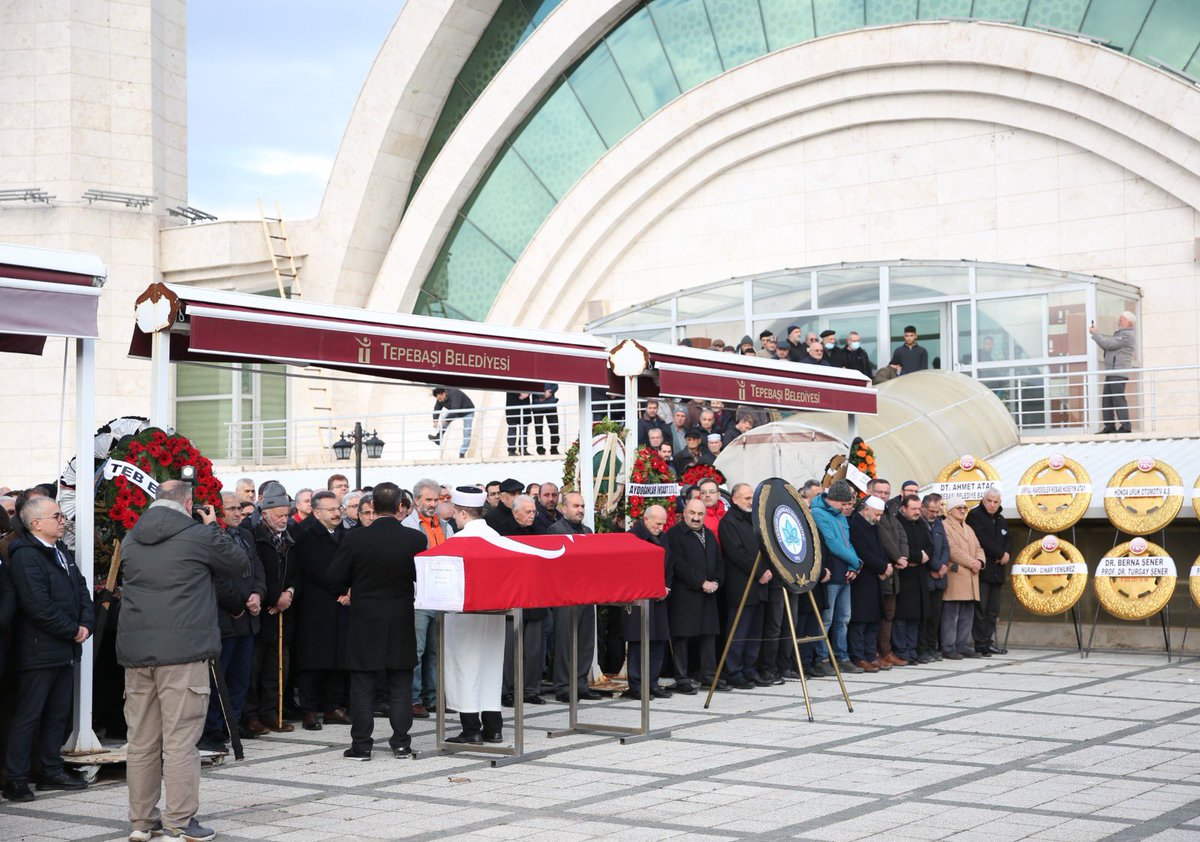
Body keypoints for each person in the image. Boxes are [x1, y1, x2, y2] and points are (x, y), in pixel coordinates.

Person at [118, 480, 247, 842]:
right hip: (183, 652)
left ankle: (142, 822)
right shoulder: (198, 536)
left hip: (136, 653)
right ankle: (180, 821)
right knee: (180, 742)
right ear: (188, 503)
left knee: (141, 741)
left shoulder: (130, 538)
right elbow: (237, 563)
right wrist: (212, 526)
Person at [3, 496, 94, 804]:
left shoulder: (60, 551)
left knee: (57, 714)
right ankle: (15, 777)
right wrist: (73, 629)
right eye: (56, 515)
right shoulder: (27, 556)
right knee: (29, 715)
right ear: (36, 523)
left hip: (65, 648)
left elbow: (81, 590)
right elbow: (36, 605)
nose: (62, 519)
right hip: (39, 650)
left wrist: (87, 623)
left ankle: (50, 768)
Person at [327, 482, 424, 761]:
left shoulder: (356, 539)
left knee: (362, 685)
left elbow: (335, 576)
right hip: (401, 618)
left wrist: (352, 587)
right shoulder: (414, 540)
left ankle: (361, 746)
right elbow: (422, 577)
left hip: (365, 620)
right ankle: (402, 744)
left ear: (371, 508)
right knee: (400, 684)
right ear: (399, 508)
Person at [198, 492, 266, 752]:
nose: (238, 513)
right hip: (226, 620)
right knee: (220, 680)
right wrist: (238, 604)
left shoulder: (246, 536)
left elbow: (258, 569)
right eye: (231, 509)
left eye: (240, 508)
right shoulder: (214, 538)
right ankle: (215, 729)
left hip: (247, 619)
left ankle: (232, 724)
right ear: (218, 512)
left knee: (241, 678)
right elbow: (216, 578)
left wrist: (258, 593)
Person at [443, 487, 506, 745]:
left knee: (464, 669)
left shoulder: (458, 540)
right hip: (494, 615)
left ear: (462, 513)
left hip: (464, 614)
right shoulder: (497, 537)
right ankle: (494, 728)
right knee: (490, 669)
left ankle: (471, 729)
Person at [292, 491, 351, 731]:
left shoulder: (347, 535)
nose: (337, 513)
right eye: (331, 510)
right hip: (315, 606)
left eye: (338, 508)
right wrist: (342, 586)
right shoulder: (305, 536)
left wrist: (351, 590)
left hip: (342, 604)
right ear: (317, 513)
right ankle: (309, 710)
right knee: (313, 660)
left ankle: (333, 706)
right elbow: (317, 570)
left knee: (338, 657)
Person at [243, 485, 296, 735]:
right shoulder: (253, 536)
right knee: (254, 669)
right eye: (279, 515)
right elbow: (256, 572)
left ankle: (272, 712)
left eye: (287, 515)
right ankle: (251, 715)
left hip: (283, 611)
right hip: (260, 612)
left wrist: (289, 594)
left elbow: (298, 572)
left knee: (277, 668)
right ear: (264, 514)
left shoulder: (290, 537)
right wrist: (273, 598)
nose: (284, 520)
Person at [401, 478, 454, 719]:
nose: (433, 504)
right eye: (429, 499)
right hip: (419, 597)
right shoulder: (407, 526)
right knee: (417, 650)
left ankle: (434, 697)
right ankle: (414, 699)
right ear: (417, 500)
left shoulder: (446, 526)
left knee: (437, 650)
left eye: (437, 499)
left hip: (441, 597)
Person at [547, 493, 601, 702]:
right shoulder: (555, 530)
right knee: (565, 641)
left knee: (586, 640)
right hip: (566, 595)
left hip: (587, 593)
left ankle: (580, 683)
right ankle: (562, 686)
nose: (580, 509)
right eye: (576, 506)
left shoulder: (587, 531)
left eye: (583, 505)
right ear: (564, 508)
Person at [718, 483, 772, 689]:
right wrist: (760, 572)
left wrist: (768, 571)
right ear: (734, 499)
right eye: (746, 498)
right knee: (738, 631)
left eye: (752, 497)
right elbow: (737, 553)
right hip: (741, 584)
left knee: (755, 630)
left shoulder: (755, 519)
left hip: (761, 584)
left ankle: (749, 668)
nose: (751, 501)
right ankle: (733, 670)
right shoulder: (728, 522)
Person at [666, 499, 722, 695]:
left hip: (708, 594)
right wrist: (701, 582)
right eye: (692, 513)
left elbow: (718, 561)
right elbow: (679, 564)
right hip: (685, 595)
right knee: (682, 638)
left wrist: (716, 581)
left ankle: (708, 677)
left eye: (700, 514)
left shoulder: (709, 534)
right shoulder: (674, 534)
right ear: (685, 513)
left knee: (708, 637)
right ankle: (682, 679)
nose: (696, 517)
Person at [809, 480, 862, 674]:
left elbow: (847, 543)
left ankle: (842, 657)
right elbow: (832, 544)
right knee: (827, 619)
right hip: (830, 573)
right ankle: (822, 658)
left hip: (845, 573)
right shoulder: (818, 514)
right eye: (844, 503)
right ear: (834, 500)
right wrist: (856, 561)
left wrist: (853, 564)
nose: (846, 507)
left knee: (844, 618)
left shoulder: (839, 515)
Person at [502, 495, 550, 705]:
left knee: (534, 648)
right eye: (528, 512)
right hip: (514, 596)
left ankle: (531, 689)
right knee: (511, 649)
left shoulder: (539, 530)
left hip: (536, 595)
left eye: (534, 512)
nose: (532, 515)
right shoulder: (505, 532)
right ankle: (509, 690)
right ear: (515, 512)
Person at [623, 505, 673, 700]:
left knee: (658, 640)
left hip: (659, 597)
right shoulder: (632, 537)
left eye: (662, 523)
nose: (660, 527)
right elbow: (629, 570)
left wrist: (666, 587)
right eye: (657, 523)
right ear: (646, 519)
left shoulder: (664, 537)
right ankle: (636, 685)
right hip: (638, 598)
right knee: (638, 642)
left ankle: (652, 682)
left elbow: (670, 564)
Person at [847, 496, 891, 672]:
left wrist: (885, 566)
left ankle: (871, 654)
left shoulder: (872, 525)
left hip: (874, 577)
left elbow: (881, 549)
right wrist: (882, 567)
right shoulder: (856, 525)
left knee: (873, 619)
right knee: (860, 620)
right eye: (877, 514)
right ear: (866, 510)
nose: (878, 518)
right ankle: (859, 656)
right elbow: (862, 552)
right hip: (862, 578)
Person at [968, 488, 1012, 657]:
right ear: (983, 500)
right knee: (981, 609)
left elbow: (1009, 538)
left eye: (996, 502)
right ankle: (980, 644)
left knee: (993, 610)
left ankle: (988, 641)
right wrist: (1000, 554)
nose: (992, 505)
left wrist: (1007, 554)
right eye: (989, 501)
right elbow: (982, 539)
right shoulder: (975, 516)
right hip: (983, 571)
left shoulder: (1000, 519)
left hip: (998, 572)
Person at [941, 498, 984, 660]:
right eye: (958, 508)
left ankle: (963, 644)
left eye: (964, 508)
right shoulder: (945, 526)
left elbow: (979, 548)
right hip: (956, 575)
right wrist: (971, 562)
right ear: (950, 510)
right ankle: (948, 646)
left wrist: (979, 561)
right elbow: (953, 550)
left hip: (971, 575)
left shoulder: (969, 528)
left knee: (967, 613)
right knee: (951, 614)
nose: (962, 510)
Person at [892, 494, 931, 665]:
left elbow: (930, 545)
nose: (917, 512)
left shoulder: (921, 523)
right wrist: (917, 556)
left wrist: (926, 556)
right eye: (913, 509)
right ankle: (901, 651)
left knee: (915, 616)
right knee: (902, 616)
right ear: (904, 508)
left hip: (919, 575)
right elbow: (897, 548)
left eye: (918, 508)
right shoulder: (897, 523)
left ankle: (912, 649)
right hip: (904, 574)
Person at [875, 479, 906, 667]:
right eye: (879, 492)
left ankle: (886, 651)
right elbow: (884, 539)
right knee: (878, 614)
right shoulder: (871, 513)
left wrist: (903, 556)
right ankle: (877, 652)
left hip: (894, 572)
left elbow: (902, 536)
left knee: (889, 613)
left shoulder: (890, 513)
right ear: (871, 491)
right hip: (880, 571)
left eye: (886, 493)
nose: (883, 496)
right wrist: (897, 557)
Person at [1089, 310, 1136, 433]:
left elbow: (1108, 344)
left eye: (1122, 319)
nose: (1119, 320)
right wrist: (1097, 334)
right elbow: (1107, 345)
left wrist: (1095, 334)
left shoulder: (1127, 335)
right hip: (1112, 372)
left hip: (1118, 373)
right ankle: (1109, 426)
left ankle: (1126, 427)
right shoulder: (1121, 334)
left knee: (1118, 399)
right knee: (1107, 400)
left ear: (1129, 323)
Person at [918, 493, 949, 663]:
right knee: (925, 616)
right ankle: (922, 648)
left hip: (940, 577)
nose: (934, 514)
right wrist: (936, 567)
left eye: (937, 511)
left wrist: (943, 566)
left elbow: (945, 546)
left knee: (935, 616)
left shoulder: (938, 524)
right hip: (926, 576)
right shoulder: (919, 524)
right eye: (931, 511)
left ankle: (932, 647)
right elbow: (925, 549)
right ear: (923, 507)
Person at [430, 386, 475, 458]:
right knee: (444, 419)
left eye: (440, 398)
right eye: (438, 399)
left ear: (443, 394)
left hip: (467, 411)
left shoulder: (454, 393)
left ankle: (462, 453)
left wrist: (447, 419)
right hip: (456, 411)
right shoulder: (440, 398)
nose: (440, 401)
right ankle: (438, 438)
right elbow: (437, 408)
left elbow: (455, 408)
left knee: (467, 431)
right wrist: (435, 420)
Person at [531, 383, 560, 455]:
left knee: (554, 428)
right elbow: (530, 385)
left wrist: (550, 392)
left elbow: (556, 385)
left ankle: (554, 449)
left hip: (551, 406)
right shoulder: (533, 372)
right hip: (537, 406)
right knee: (538, 429)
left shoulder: (551, 372)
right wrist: (543, 394)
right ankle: (540, 450)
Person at [504, 391, 531, 456]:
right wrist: (520, 394)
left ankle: (523, 449)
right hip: (512, 404)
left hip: (524, 404)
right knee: (512, 429)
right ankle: (511, 450)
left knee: (524, 430)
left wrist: (527, 393)